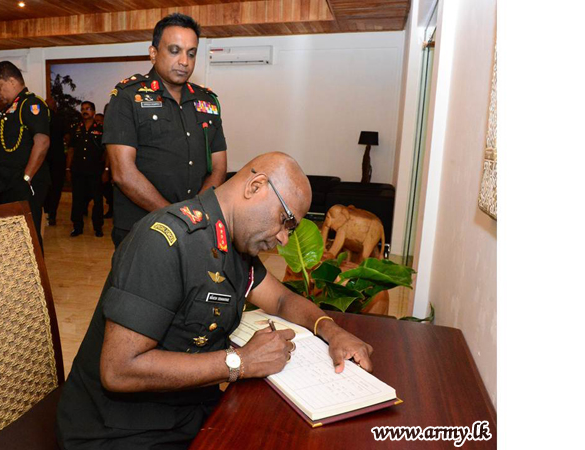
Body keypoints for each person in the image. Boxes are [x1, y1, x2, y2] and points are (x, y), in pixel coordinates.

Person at [55, 152, 374, 450]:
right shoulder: (164, 242)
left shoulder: (232, 241)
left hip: (189, 413)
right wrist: (242, 362)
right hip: (121, 432)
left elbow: (280, 299)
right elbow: (119, 369)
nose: (283, 238)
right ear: (255, 186)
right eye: (284, 220)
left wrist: (332, 331)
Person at [103, 12, 227, 248]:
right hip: (142, 228)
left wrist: (197, 212)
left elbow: (219, 166)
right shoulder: (128, 97)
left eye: (191, 53)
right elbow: (123, 173)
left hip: (196, 228)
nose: (184, 61)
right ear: (153, 53)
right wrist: (176, 217)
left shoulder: (207, 101)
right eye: (175, 50)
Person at [0, 61, 51, 247]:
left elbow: (42, 142)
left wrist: (26, 178)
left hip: (23, 183)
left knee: (28, 239)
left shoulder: (31, 104)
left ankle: (34, 268)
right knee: (14, 240)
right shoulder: (12, 108)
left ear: (11, 81)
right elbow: (15, 142)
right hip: (8, 183)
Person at [67, 101, 105, 237]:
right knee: (77, 199)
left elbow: (106, 151)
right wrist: (68, 169)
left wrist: (106, 169)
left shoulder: (101, 129)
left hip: (95, 170)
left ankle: (98, 227)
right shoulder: (76, 128)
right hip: (78, 170)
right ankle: (77, 227)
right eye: (83, 109)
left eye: (88, 109)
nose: (85, 111)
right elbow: (71, 149)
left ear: (93, 112)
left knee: (97, 200)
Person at [43, 96, 67, 226]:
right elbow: (67, 137)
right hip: (57, 158)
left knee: (46, 186)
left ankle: (46, 212)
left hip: (44, 158)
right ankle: (51, 214)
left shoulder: (42, 119)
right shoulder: (60, 119)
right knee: (56, 188)